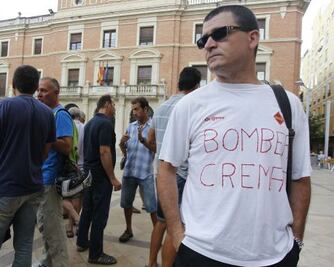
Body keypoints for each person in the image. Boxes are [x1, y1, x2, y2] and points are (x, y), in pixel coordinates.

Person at [158, 5, 312, 267]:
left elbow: (300, 178)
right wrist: (176, 234)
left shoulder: (288, 104)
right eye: (203, 38)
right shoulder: (190, 105)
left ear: (253, 38)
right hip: (200, 253)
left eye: (219, 33)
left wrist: (295, 242)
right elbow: (166, 169)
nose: (208, 44)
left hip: (274, 256)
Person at [0, 65, 56, 267]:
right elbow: (45, 152)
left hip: (5, 188)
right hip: (33, 187)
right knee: (24, 246)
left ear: (12, 84)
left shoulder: (6, 106)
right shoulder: (47, 113)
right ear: (36, 87)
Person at [146, 67, 201, 267]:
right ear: (196, 85)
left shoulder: (161, 107)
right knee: (175, 226)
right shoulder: (192, 106)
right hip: (181, 175)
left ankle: (151, 263)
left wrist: (162, 151)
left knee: (161, 222)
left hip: (160, 173)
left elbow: (150, 140)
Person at [76, 95, 121, 265]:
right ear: (107, 104)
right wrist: (112, 178)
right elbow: (104, 151)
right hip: (100, 176)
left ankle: (81, 242)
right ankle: (95, 254)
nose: (115, 108)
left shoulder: (90, 123)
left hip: (88, 173)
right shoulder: (105, 124)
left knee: (87, 208)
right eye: (114, 104)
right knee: (99, 214)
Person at [37, 77, 72, 267]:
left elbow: (67, 146)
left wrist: (45, 136)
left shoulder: (60, 114)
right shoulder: (47, 114)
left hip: (50, 178)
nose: (39, 94)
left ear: (56, 92)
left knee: (53, 227)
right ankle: (46, 261)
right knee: (45, 224)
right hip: (41, 177)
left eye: (44, 90)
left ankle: (59, 263)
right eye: (38, 90)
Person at [118, 97, 156, 243]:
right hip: (129, 171)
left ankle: (156, 233)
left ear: (145, 109)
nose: (134, 112)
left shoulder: (153, 127)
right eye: (132, 109)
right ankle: (128, 229)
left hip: (145, 172)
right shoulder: (131, 126)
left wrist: (143, 140)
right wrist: (122, 144)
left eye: (136, 109)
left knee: (152, 206)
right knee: (126, 203)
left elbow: (156, 149)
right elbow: (126, 151)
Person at [64, 106, 86, 237]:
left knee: (66, 196)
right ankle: (76, 225)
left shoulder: (68, 127)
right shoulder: (85, 127)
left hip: (68, 165)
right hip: (82, 165)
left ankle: (69, 227)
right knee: (78, 197)